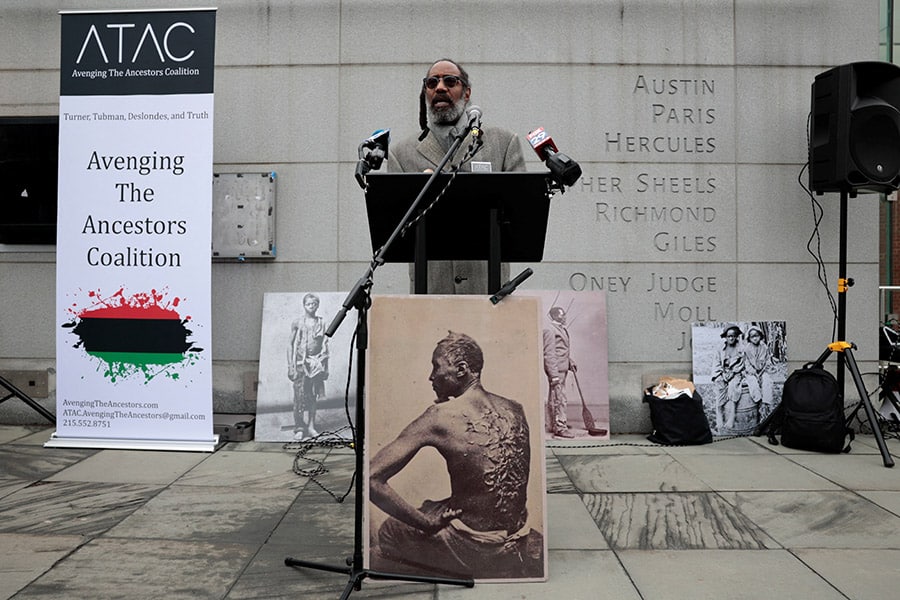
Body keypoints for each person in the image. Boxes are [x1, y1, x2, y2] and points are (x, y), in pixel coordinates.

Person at [369, 331, 540, 579]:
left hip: (477, 547)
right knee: (432, 505)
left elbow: (370, 478)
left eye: (436, 366)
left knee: (390, 529)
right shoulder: (515, 408)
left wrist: (427, 524)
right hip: (518, 534)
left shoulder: (439, 416)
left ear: (461, 369)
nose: (431, 376)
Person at [387, 58, 527, 295]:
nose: (440, 88)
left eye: (450, 81)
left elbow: (521, 215)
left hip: (489, 292)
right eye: (432, 83)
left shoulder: (503, 143)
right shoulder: (401, 153)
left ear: (467, 92)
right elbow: (396, 230)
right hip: (430, 294)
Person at [288, 293, 328, 440]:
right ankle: (299, 427)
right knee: (299, 396)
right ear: (304, 305)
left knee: (312, 396)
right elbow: (290, 344)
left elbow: (325, 346)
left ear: (318, 305)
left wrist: (325, 367)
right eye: (308, 304)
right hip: (301, 363)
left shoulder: (321, 323)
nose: (311, 306)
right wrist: (291, 365)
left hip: (316, 364)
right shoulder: (297, 322)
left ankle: (311, 425)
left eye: (314, 304)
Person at [542, 306, 576, 439]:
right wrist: (554, 375)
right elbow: (549, 354)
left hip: (562, 368)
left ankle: (553, 425)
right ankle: (560, 427)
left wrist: (569, 361)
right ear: (555, 316)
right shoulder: (549, 330)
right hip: (556, 370)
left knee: (555, 397)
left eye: (564, 315)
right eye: (562, 315)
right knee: (559, 399)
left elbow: (561, 350)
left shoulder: (561, 329)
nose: (565, 317)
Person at [712, 324, 746, 431]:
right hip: (723, 372)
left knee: (733, 387)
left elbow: (742, 364)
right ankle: (719, 415)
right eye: (729, 336)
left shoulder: (740, 349)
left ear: (736, 337)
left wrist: (733, 372)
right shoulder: (720, 349)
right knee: (720, 385)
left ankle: (732, 416)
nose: (731, 338)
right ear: (725, 337)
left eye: (733, 336)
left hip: (735, 373)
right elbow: (716, 363)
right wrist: (722, 373)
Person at [743, 325, 776, 421]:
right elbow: (746, 363)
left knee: (767, 381)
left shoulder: (764, 347)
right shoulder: (747, 349)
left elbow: (767, 360)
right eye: (752, 336)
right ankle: (759, 402)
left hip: (763, 370)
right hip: (751, 372)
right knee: (753, 383)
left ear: (760, 336)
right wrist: (753, 372)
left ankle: (766, 405)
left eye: (756, 336)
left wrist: (763, 371)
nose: (755, 338)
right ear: (749, 338)